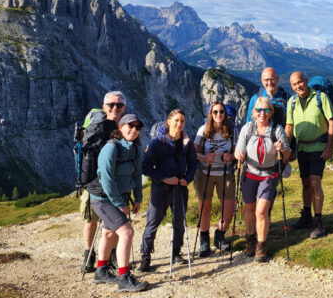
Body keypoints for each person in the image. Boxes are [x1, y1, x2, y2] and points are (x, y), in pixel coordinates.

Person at [90, 114, 148, 292]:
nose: (134, 130)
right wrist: (119, 203)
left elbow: (137, 175)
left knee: (109, 234)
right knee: (127, 232)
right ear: (120, 127)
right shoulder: (110, 148)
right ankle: (124, 278)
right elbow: (107, 179)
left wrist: (138, 198)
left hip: (120, 198)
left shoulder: (136, 148)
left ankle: (101, 271)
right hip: (103, 198)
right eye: (130, 126)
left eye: (137, 128)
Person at [138, 109, 198, 272]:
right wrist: (164, 177)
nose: (179, 124)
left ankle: (176, 253)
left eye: (182, 121)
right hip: (160, 187)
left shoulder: (187, 143)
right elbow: (146, 166)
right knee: (152, 222)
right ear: (169, 122)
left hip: (179, 187)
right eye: (176, 120)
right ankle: (145, 256)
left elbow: (193, 163)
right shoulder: (157, 143)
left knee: (178, 222)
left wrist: (187, 178)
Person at [235, 97, 290, 262]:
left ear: (271, 113)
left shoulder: (277, 130)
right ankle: (250, 240)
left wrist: (283, 149)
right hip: (249, 173)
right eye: (259, 110)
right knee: (250, 208)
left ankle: (261, 245)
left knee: (261, 210)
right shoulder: (247, 128)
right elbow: (239, 148)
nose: (262, 114)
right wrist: (239, 154)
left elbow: (287, 155)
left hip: (269, 175)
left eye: (266, 110)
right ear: (254, 113)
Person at [285, 72, 333, 239]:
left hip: (318, 146)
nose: (298, 86)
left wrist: (329, 147)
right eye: (294, 84)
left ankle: (317, 222)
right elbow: (289, 126)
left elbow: (332, 121)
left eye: (300, 82)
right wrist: (285, 149)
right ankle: (306, 216)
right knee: (305, 182)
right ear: (291, 87)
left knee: (315, 182)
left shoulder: (320, 98)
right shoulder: (291, 102)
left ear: (306, 81)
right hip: (302, 148)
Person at [80, 91, 126, 273]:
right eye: (111, 104)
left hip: (116, 182)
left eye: (119, 105)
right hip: (92, 182)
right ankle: (88, 255)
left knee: (115, 220)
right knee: (91, 220)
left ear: (124, 108)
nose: (115, 108)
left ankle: (112, 255)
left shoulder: (126, 126)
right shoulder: (95, 126)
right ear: (104, 106)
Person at [194, 101, 238, 256]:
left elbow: (236, 153)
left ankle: (219, 235)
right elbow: (195, 153)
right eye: (215, 112)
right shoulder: (203, 130)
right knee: (205, 207)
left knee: (229, 207)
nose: (218, 115)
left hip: (226, 173)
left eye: (221, 112)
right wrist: (205, 158)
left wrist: (230, 157)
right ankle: (204, 240)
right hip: (205, 173)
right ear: (210, 114)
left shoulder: (232, 130)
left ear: (225, 114)